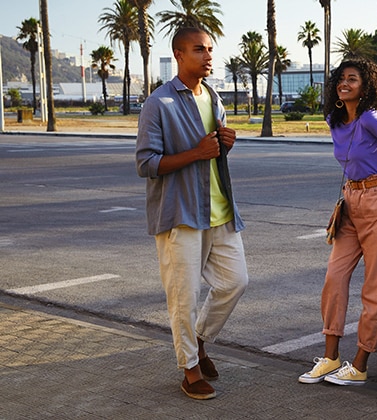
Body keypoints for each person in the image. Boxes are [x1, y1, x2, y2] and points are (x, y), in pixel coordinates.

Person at [135, 27, 248, 400]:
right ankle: (189, 369)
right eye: (199, 49)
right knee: (184, 297)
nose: (208, 55)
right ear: (179, 55)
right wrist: (196, 152)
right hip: (179, 214)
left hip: (219, 210)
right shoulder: (159, 104)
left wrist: (223, 146)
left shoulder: (215, 98)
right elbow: (146, 163)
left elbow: (211, 156)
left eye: (210, 49)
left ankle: (199, 341)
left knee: (235, 282)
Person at [298, 58, 377, 386]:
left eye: (352, 79)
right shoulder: (334, 120)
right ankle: (330, 357)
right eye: (341, 79)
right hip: (351, 201)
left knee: (376, 285)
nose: (345, 83)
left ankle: (360, 363)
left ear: (365, 87)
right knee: (334, 277)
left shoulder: (372, 119)